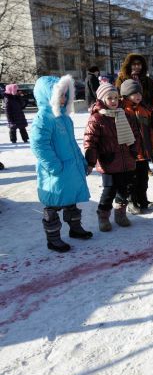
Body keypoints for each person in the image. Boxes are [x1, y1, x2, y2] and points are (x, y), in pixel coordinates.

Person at [30, 75, 93, 252]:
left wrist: (82, 162)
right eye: (60, 95)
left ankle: (75, 228)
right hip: (55, 172)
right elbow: (38, 145)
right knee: (53, 206)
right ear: (47, 96)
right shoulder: (44, 118)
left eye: (66, 95)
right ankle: (53, 238)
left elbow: (72, 144)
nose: (64, 99)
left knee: (71, 201)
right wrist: (54, 166)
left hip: (70, 169)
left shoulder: (65, 117)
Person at [84, 82, 139, 232]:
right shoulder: (97, 118)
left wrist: (134, 151)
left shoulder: (125, 114)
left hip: (126, 160)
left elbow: (135, 135)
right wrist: (90, 161)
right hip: (108, 162)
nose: (114, 101)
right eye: (110, 98)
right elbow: (90, 141)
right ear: (102, 100)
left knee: (124, 189)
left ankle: (120, 214)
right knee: (109, 191)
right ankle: (103, 217)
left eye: (116, 97)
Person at [120, 79, 153, 214]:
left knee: (143, 179)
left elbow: (149, 131)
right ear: (125, 95)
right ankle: (132, 202)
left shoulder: (144, 109)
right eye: (134, 93)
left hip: (143, 152)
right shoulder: (123, 111)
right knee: (132, 180)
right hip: (131, 152)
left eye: (139, 93)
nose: (138, 96)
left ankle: (143, 200)